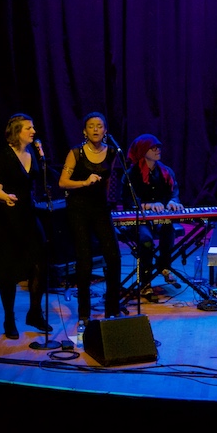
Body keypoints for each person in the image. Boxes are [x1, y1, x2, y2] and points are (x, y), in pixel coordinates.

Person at [0, 113, 52, 339]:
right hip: (7, 216)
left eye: (33, 127)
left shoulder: (32, 153)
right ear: (17, 132)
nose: (33, 131)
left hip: (28, 213)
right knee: (9, 269)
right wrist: (5, 196)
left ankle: (34, 312)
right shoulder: (2, 156)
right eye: (28, 128)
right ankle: (9, 318)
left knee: (40, 263)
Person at [58, 112, 123, 329]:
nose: (95, 129)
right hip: (79, 209)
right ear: (85, 131)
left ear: (105, 130)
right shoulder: (76, 153)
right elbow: (63, 182)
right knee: (84, 261)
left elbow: (115, 181)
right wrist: (84, 182)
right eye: (91, 126)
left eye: (100, 126)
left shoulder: (113, 152)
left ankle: (112, 309)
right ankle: (84, 313)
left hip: (101, 209)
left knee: (113, 257)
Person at [119, 134, 183, 303]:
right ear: (142, 151)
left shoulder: (165, 171)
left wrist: (172, 202)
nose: (157, 150)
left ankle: (163, 266)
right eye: (153, 148)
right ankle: (145, 282)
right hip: (139, 220)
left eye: (158, 147)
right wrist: (147, 205)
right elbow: (127, 202)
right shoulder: (131, 174)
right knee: (146, 239)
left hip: (160, 219)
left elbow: (174, 193)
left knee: (168, 228)